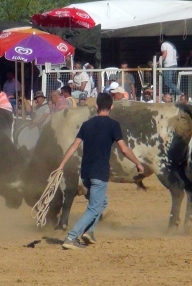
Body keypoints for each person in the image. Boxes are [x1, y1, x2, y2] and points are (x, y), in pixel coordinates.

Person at [58, 93, 144, 249]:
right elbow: (124, 149)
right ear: (111, 107)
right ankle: (71, 237)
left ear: (96, 106)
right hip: (99, 173)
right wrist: (137, 162)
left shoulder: (86, 124)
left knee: (101, 202)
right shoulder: (113, 125)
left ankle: (89, 232)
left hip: (85, 173)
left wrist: (61, 165)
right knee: (93, 208)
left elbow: (74, 146)